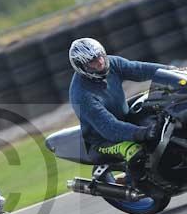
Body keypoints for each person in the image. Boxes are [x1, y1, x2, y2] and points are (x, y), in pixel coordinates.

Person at [68, 37, 176, 178]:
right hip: (103, 140)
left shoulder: (111, 63)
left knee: (157, 106)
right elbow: (109, 128)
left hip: (124, 118)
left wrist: (170, 72)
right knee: (135, 151)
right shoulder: (82, 94)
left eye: (100, 56)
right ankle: (146, 186)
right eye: (92, 62)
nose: (100, 63)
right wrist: (142, 133)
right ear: (81, 67)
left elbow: (138, 69)